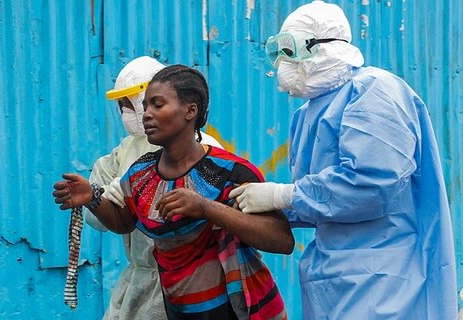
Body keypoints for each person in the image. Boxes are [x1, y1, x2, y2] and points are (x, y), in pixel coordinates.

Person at [229, 1, 458, 319]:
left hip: (384, 279)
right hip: (333, 279)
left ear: (323, 47)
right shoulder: (307, 114)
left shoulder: (373, 92)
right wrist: (266, 205)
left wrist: (283, 195)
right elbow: (322, 204)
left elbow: (372, 186)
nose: (283, 62)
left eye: (291, 50)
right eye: (277, 51)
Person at [54, 64, 294, 319]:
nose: (146, 114)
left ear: (191, 111)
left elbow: (281, 240)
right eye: (145, 106)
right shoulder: (141, 172)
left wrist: (206, 208)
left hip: (237, 309)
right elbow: (124, 221)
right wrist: (92, 197)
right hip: (180, 310)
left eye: (157, 105)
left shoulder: (229, 171)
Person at [84, 56, 222, 320]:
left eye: (128, 104)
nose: (129, 113)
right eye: (122, 106)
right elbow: (101, 220)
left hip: (191, 278)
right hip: (140, 279)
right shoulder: (127, 150)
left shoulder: (209, 152)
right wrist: (97, 197)